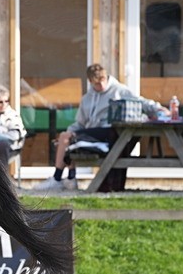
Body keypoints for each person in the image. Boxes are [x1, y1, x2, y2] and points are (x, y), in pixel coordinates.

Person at [36, 63, 163, 191]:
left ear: (106, 77)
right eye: (96, 83)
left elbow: (142, 102)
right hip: (91, 131)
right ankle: (67, 178)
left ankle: (62, 178)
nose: (101, 85)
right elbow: (80, 123)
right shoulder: (87, 99)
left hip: (108, 132)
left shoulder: (119, 90)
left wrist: (159, 109)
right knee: (65, 136)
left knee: (69, 138)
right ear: (90, 82)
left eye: (103, 80)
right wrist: (70, 131)